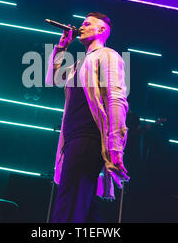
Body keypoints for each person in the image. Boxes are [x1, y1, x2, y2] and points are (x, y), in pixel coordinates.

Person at [45, 12, 129, 222]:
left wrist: (115, 145)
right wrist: (62, 47)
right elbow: (52, 78)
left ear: (101, 30)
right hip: (73, 140)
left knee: (69, 202)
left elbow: (116, 97)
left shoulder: (108, 55)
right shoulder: (79, 64)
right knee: (82, 202)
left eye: (86, 24)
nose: (81, 27)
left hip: (88, 138)